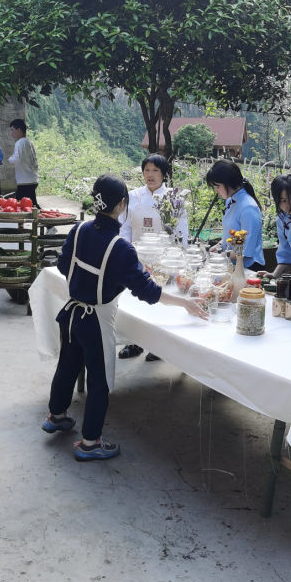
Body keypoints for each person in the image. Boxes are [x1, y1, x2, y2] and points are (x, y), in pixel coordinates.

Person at [42, 174, 207, 461]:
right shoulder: (120, 247)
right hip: (95, 320)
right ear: (122, 204)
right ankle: (91, 443)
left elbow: (63, 263)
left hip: (70, 314)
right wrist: (184, 303)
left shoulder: (79, 230)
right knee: (100, 381)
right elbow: (148, 291)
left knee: (67, 366)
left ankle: (56, 415)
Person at [117, 154, 190, 361]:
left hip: (164, 261)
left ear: (164, 174)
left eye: (155, 170)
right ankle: (133, 343)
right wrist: (126, 252)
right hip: (137, 258)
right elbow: (125, 227)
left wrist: (175, 256)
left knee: (160, 302)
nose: (150, 175)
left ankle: (158, 347)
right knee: (134, 301)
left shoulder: (174, 199)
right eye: (147, 170)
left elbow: (181, 231)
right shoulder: (132, 197)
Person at [204, 160, 264, 270]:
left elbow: (245, 250)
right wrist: (218, 246)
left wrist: (220, 256)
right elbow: (232, 235)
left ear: (228, 183)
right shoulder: (231, 201)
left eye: (217, 186)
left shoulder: (248, 208)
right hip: (231, 264)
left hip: (248, 268)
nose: (216, 191)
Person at [7, 118, 39, 205]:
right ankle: (40, 216)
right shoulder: (29, 141)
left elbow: (17, 159)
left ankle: (43, 216)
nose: (11, 133)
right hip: (32, 178)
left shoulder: (20, 143)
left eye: (12, 130)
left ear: (19, 129)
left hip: (25, 180)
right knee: (32, 204)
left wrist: (10, 159)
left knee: (18, 205)